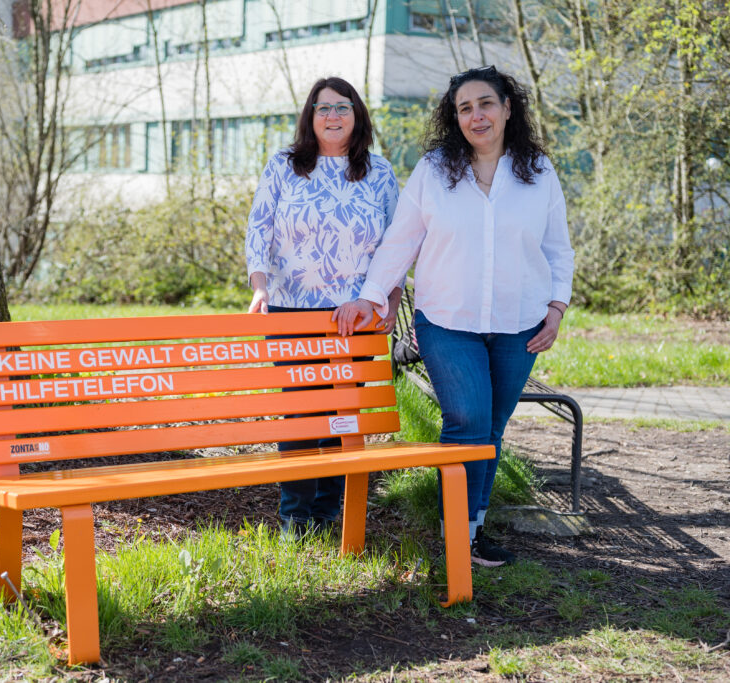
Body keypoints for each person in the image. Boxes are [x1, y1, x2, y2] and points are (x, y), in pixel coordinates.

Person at [333, 65, 575, 566]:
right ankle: (456, 537)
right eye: (465, 108)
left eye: (485, 104)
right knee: (466, 419)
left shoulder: (539, 172)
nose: (476, 116)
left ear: (508, 108)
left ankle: (472, 530)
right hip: (446, 321)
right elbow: (401, 240)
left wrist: (556, 307)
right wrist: (371, 295)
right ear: (455, 117)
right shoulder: (434, 170)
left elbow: (557, 247)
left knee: (492, 425)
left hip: (520, 323)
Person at [245, 76, 400, 537]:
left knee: (341, 414)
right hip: (292, 307)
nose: (332, 116)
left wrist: (389, 299)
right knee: (300, 411)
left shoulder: (380, 172)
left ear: (358, 116)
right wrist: (260, 287)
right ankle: (294, 514)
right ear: (310, 118)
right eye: (323, 108)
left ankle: (329, 513)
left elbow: (399, 241)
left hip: (356, 311)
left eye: (342, 107)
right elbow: (259, 229)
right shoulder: (284, 166)